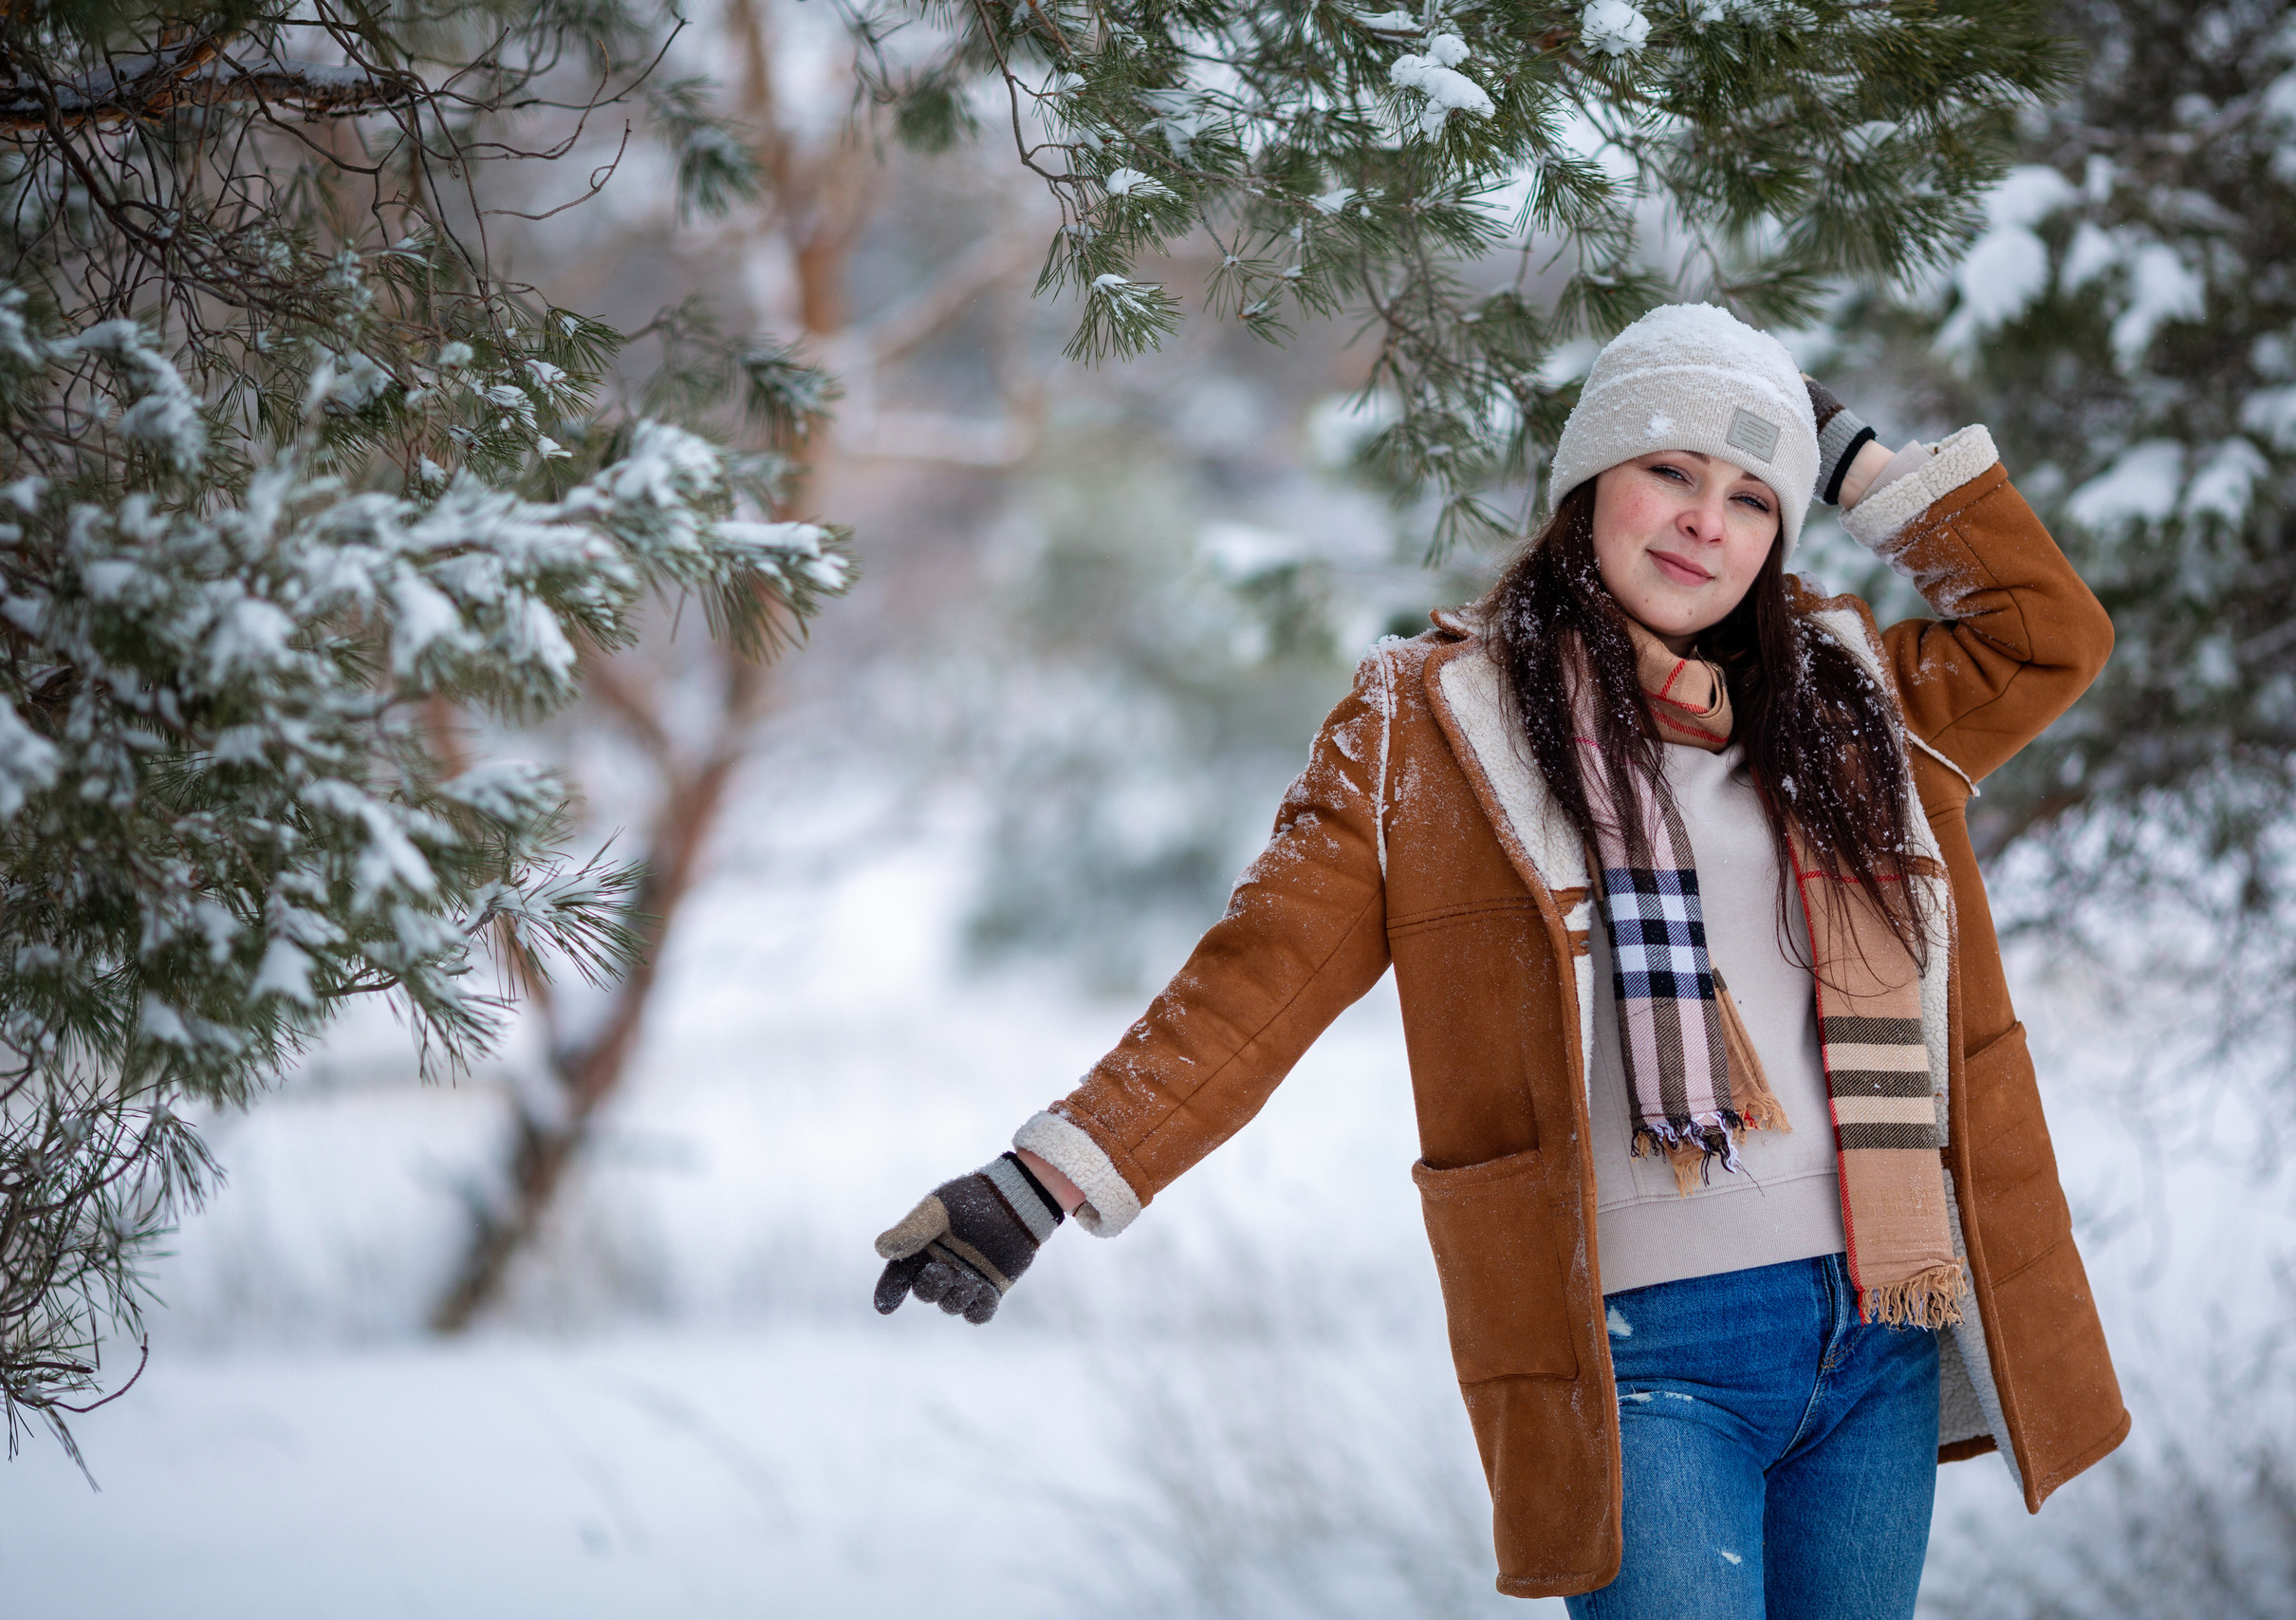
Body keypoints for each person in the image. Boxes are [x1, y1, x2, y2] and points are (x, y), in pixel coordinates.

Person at [871, 304, 2130, 1618]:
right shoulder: (1433, 723)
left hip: (1881, 1322)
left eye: (1756, 497)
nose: (1709, 520)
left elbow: (2052, 633)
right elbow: (1257, 983)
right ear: (1591, 482)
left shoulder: (1853, 699)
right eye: (1673, 471)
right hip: (1649, 1352)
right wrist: (1040, 1179)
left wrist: (1856, 459)